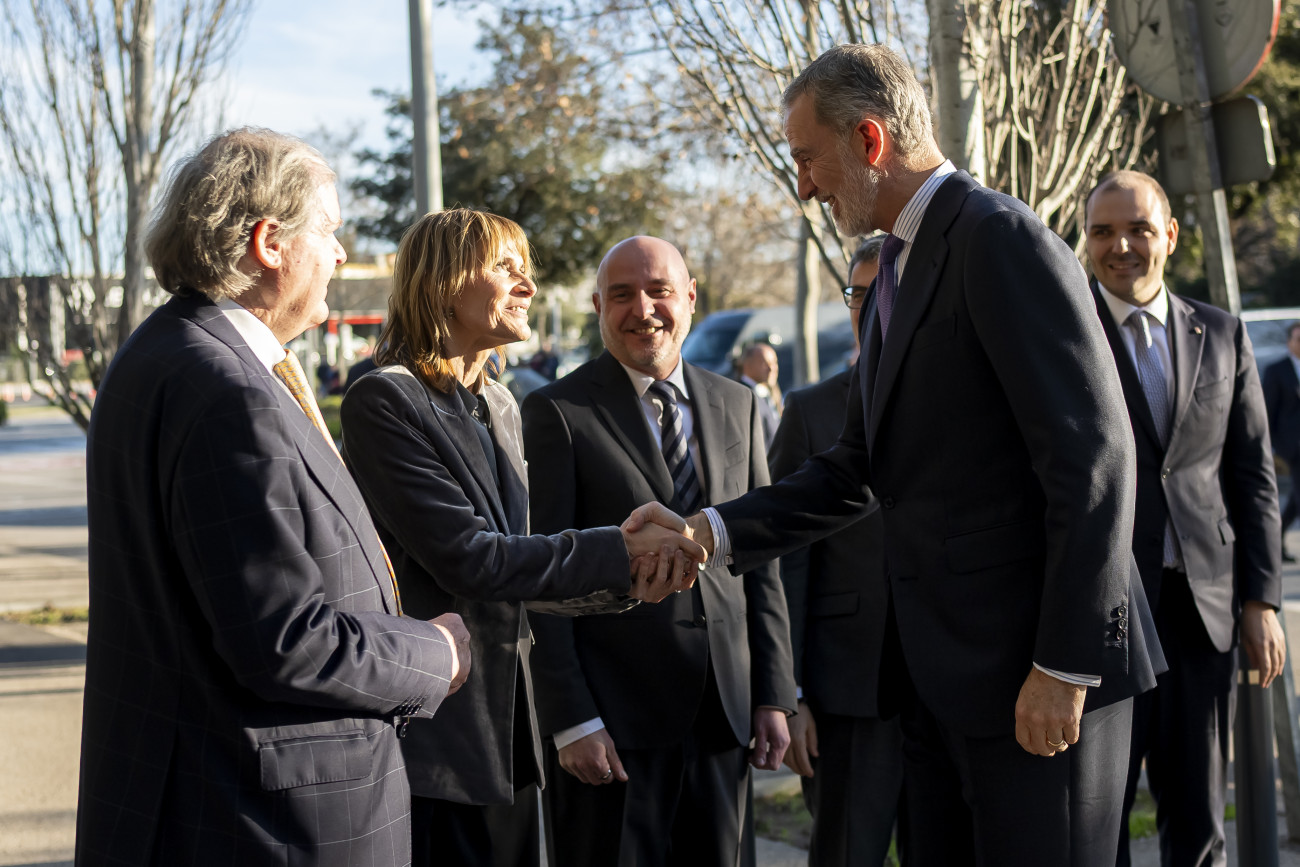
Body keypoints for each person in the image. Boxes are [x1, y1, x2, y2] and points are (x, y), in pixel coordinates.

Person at [667, 44, 1163, 866]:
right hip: (941, 690)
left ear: (870, 140)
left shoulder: (999, 238)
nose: (804, 186)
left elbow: (1096, 460)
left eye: (808, 159)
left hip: (1037, 683)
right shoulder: (896, 265)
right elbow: (849, 469)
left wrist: (1063, 665)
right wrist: (706, 532)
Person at [76, 128, 472, 866]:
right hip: (260, 822)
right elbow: (284, 639)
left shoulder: (168, 353)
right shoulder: (226, 389)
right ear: (269, 243)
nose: (341, 255)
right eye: (329, 231)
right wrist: (435, 652)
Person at [339, 209, 704, 867]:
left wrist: (624, 581)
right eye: (507, 267)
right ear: (445, 280)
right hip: (439, 741)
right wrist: (617, 550)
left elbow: (525, 571)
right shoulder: (384, 399)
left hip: (511, 741)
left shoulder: (499, 402)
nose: (528, 285)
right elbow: (473, 560)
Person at [520, 236, 797, 866]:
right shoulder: (558, 413)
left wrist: (773, 694)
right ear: (597, 306)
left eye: (659, 291)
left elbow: (761, 561)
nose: (642, 309)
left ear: (690, 298)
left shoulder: (738, 404)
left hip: (723, 715)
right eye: (621, 295)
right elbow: (543, 579)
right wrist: (572, 720)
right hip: (613, 726)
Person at [1083, 170, 1285, 867]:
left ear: (1169, 235)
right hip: (1102, 616)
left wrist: (1262, 597)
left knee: (1198, 819)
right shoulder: (1061, 338)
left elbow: (1252, 475)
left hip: (1202, 614)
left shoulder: (1223, 334)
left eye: (1138, 228)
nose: (1122, 246)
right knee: (1095, 823)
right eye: (1104, 231)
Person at [770, 234, 903, 867]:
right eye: (861, 292)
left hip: (953, 687)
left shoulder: (971, 404)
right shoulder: (810, 412)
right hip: (846, 694)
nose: (874, 304)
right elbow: (782, 562)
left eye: (891, 289)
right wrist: (788, 692)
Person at [1262, 322, 1300, 562]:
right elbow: (1267, 410)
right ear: (1289, 342)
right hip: (1292, 448)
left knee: (1295, 502)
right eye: (1298, 339)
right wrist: (1273, 446)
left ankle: (1274, 541)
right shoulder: (1277, 370)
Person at [736, 341, 782, 448]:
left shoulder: (768, 393)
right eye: (765, 363)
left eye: (775, 363)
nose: (772, 369)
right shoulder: (742, 396)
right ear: (747, 365)